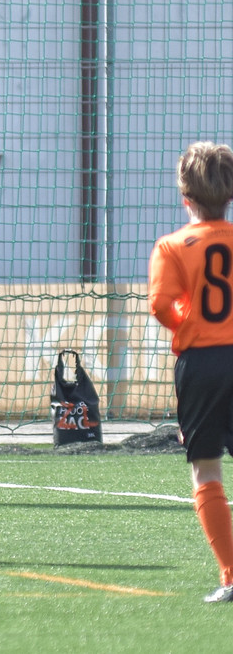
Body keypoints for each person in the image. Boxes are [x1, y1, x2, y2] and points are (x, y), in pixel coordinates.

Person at [148, 141, 233, 604]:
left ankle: (231, 575)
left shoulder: (172, 246)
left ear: (186, 197)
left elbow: (160, 305)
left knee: (206, 469)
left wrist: (190, 323)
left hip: (202, 362)